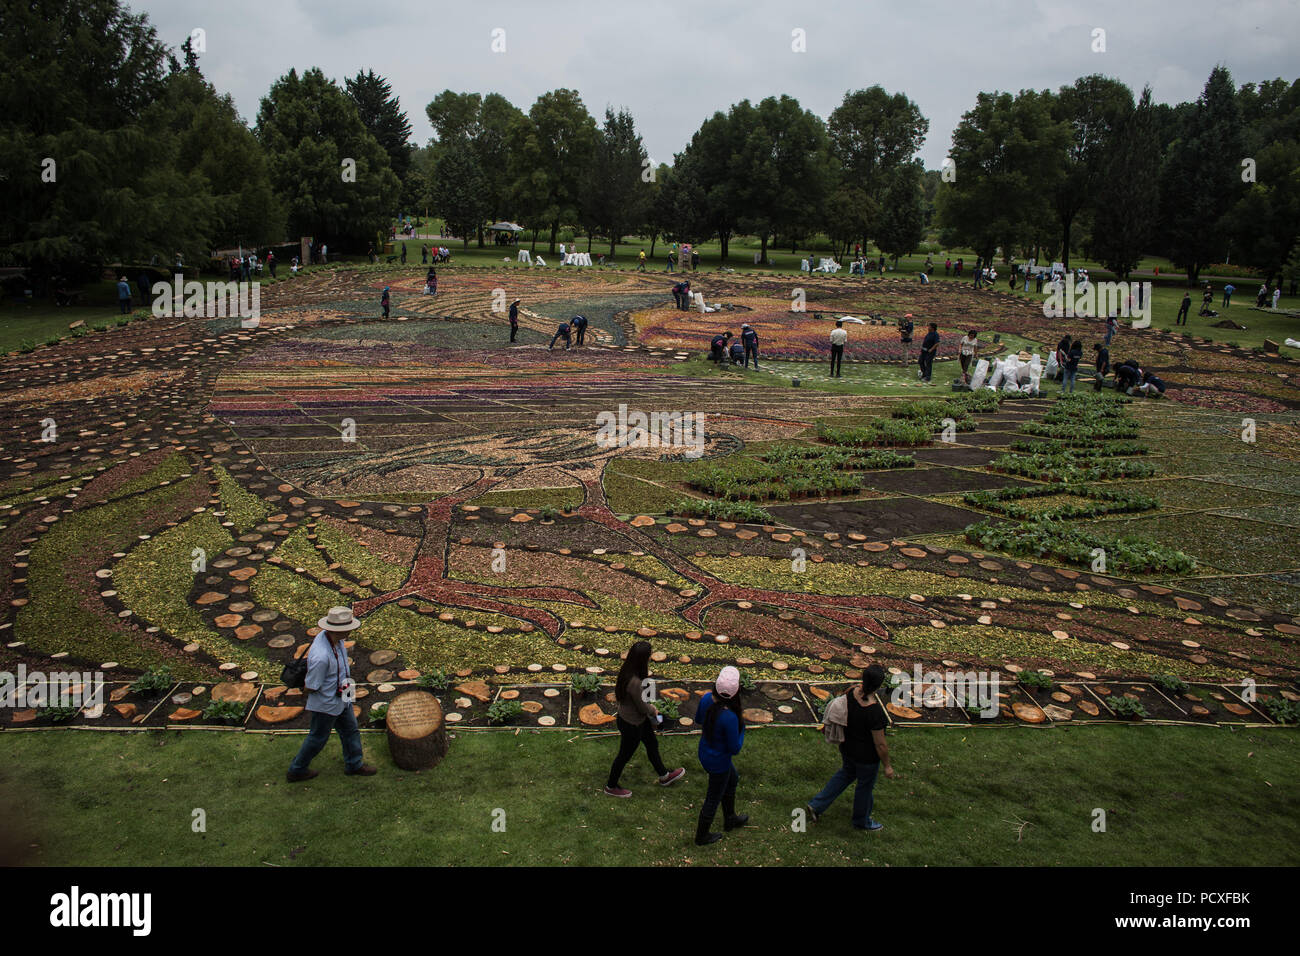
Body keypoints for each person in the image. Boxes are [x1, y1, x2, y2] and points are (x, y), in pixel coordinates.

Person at [286, 607, 377, 781]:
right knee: (318, 738)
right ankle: (296, 769)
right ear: (339, 630)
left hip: (344, 692)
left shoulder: (335, 639)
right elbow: (312, 685)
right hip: (327, 702)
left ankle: (354, 764)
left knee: (351, 730)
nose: (351, 630)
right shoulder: (321, 655)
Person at [806, 664, 894, 831]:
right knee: (865, 788)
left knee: (845, 775)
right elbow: (880, 744)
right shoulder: (875, 712)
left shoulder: (852, 692)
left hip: (847, 748)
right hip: (867, 758)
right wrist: (887, 766)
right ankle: (862, 821)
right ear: (879, 685)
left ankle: (817, 805)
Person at [604, 641, 686, 797]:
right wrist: (653, 709)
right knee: (624, 755)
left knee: (651, 743)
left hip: (635, 720)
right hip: (632, 723)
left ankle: (664, 776)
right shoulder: (634, 682)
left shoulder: (626, 671)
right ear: (643, 659)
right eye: (649, 656)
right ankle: (611, 786)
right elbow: (642, 707)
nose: (650, 658)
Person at [694, 666, 748, 846]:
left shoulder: (706, 699)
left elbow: (699, 720)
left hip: (705, 751)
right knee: (713, 797)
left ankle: (730, 818)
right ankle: (701, 836)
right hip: (719, 762)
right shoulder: (730, 717)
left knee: (732, 779)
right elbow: (735, 748)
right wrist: (742, 730)